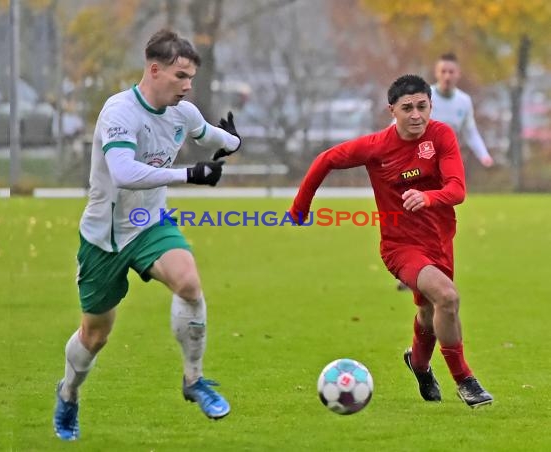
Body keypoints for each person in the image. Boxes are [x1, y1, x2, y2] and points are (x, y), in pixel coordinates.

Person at [53, 29, 242, 441]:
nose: (188, 85)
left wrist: (233, 140)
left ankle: (194, 380)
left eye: (191, 77)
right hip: (104, 238)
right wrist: (189, 174)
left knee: (189, 284)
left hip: (150, 223)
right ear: (154, 70)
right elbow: (123, 173)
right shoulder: (119, 112)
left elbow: (210, 135)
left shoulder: (182, 112)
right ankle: (68, 394)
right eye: (181, 76)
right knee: (95, 334)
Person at [289, 74, 493, 409]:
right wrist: (300, 208)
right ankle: (465, 381)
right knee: (447, 297)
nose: (416, 115)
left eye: (422, 106)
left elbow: (457, 190)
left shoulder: (441, 135)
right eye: (407, 108)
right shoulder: (376, 147)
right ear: (392, 111)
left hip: (440, 240)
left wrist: (428, 198)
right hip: (400, 246)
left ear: (431, 106)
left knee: (429, 312)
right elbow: (326, 159)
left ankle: (420, 364)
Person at [395, 52, 493, 292]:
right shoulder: (424, 98)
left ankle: (430, 268)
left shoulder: (463, 102)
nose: (447, 76)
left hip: (446, 169)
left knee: (441, 221)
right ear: (437, 73)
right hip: (418, 166)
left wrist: (484, 154)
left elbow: (470, 131)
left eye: (451, 71)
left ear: (458, 74)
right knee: (417, 216)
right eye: (443, 71)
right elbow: (402, 121)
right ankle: (412, 269)